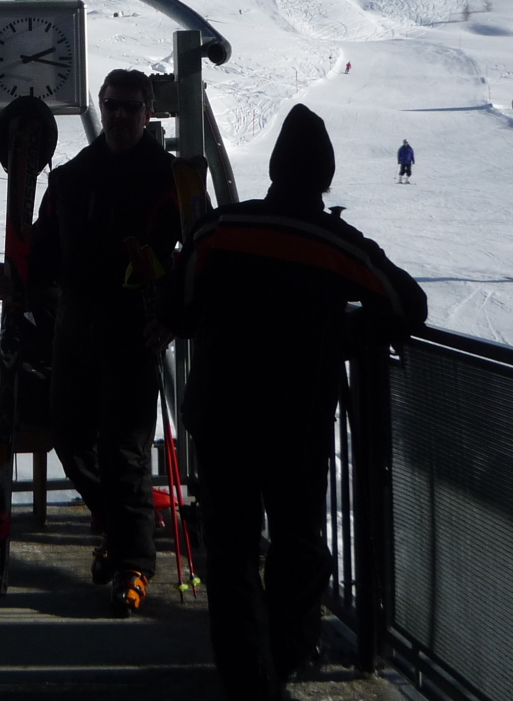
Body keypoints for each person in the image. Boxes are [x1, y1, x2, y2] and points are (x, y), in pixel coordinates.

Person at [167, 105, 426, 699]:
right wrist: (351, 331)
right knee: (297, 542)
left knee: (230, 547)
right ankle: (283, 658)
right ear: (325, 176)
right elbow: (407, 304)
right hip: (297, 422)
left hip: (220, 414)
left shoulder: (220, 228)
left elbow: (177, 308)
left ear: (276, 169)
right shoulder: (335, 242)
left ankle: (247, 678)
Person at [26, 68, 186, 617]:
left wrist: (173, 315)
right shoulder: (72, 177)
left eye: (130, 106)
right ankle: (122, 537)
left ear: (147, 112)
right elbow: (44, 254)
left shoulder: (169, 179)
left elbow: (198, 251)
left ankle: (133, 563)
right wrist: (23, 284)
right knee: (71, 438)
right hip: (76, 329)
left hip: (133, 330)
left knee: (124, 449)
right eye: (111, 105)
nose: (119, 115)